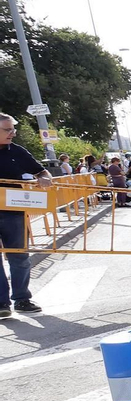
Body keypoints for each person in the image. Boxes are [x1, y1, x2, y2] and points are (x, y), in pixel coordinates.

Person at [0, 112, 49, 316]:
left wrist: (45, 178)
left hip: (13, 212)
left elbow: (41, 171)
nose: (13, 133)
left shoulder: (17, 151)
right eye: (7, 129)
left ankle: (22, 299)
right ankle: (2, 304)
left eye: (13, 129)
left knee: (19, 256)